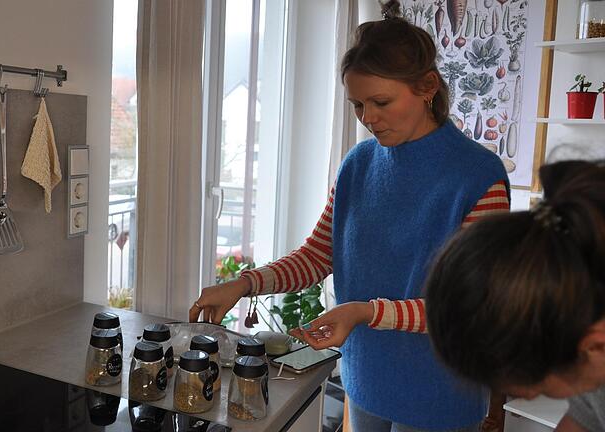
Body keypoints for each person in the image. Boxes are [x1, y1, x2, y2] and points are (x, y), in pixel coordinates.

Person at [190, 1, 510, 430]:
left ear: (428, 86)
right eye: (357, 105)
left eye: (381, 101)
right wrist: (245, 284)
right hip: (366, 382)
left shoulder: (477, 177)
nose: (369, 119)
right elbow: (317, 256)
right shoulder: (358, 164)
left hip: (441, 393)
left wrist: (365, 312)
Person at [425, 160, 605, 432]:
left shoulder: (583, 335)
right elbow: (586, 416)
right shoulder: (584, 315)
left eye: (536, 389)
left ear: (594, 345)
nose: (528, 396)